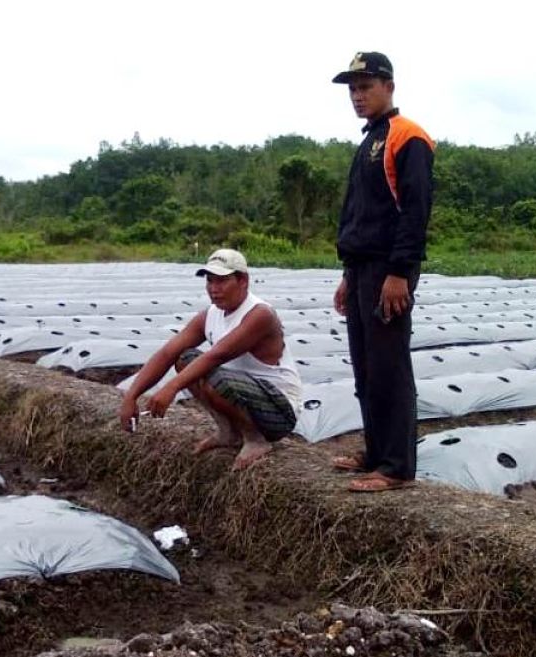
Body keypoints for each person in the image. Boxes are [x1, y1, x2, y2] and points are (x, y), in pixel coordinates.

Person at [330, 52, 434, 492]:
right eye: (353, 89)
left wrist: (398, 273)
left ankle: (395, 467)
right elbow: (361, 214)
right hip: (362, 269)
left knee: (389, 365)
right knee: (366, 367)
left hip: (388, 270)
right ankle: (374, 452)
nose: (358, 95)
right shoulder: (370, 139)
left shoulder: (407, 137)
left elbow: (414, 212)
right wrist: (348, 275)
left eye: (366, 86)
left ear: (389, 86)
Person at [118, 249, 302, 470]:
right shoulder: (211, 315)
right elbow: (168, 352)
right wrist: (131, 396)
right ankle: (229, 432)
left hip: (278, 411)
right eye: (210, 281)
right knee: (184, 358)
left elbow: (218, 355)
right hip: (243, 394)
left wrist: (171, 388)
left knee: (216, 376)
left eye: (222, 281)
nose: (214, 289)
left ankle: (256, 439)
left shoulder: (260, 315)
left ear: (242, 280)